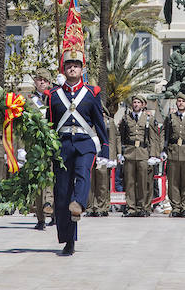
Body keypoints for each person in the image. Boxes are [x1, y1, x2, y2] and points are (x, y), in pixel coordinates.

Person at [45, 50, 109, 256]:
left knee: (83, 174)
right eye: (69, 65)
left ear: (82, 69)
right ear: (64, 69)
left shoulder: (91, 93)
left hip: (84, 144)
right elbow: (49, 124)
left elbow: (99, 123)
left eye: (76, 65)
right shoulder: (54, 96)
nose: (72, 68)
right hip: (62, 146)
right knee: (62, 193)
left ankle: (79, 203)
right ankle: (68, 239)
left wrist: (105, 151)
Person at [118, 94, 160, 217]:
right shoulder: (126, 118)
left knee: (143, 182)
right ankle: (131, 207)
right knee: (129, 182)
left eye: (138, 102)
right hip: (130, 153)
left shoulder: (149, 119)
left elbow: (153, 138)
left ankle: (143, 207)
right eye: (134, 102)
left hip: (143, 153)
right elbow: (120, 136)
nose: (136, 104)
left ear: (143, 105)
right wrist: (120, 153)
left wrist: (153, 155)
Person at [29, 68, 55, 229]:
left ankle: (53, 211)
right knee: (38, 181)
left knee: (53, 179)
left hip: (52, 144)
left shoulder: (55, 98)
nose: (42, 82)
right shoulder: (29, 100)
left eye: (45, 80)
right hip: (35, 145)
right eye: (39, 79)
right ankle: (40, 218)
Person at [87, 105, 119, 217]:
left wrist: (111, 157)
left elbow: (112, 140)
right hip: (91, 154)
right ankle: (90, 207)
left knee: (102, 183)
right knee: (90, 182)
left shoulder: (108, 122)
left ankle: (101, 206)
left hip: (103, 155)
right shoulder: (88, 120)